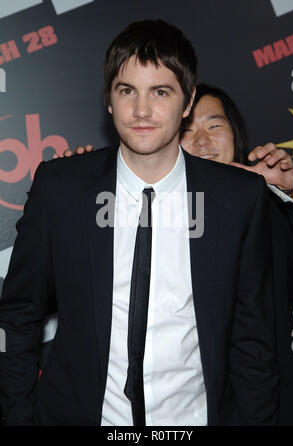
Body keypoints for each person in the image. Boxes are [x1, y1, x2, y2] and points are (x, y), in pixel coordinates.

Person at [0, 20, 278, 426]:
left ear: (187, 103)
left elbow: (254, 343)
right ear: (109, 100)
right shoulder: (61, 190)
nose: (142, 111)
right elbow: (19, 315)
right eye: (127, 90)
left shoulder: (237, 198)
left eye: (160, 92)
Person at [180, 84, 293, 425]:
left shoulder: (272, 206)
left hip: (277, 404)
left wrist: (291, 191)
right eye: (187, 130)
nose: (202, 141)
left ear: (236, 134)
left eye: (215, 125)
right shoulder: (147, 216)